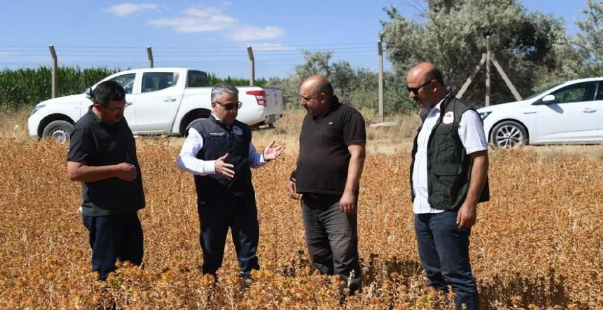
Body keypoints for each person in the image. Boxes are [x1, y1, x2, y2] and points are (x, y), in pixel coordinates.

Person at [176, 83, 282, 282]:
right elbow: (183, 160)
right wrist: (211, 167)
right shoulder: (200, 129)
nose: (233, 110)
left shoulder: (242, 129)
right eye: (228, 106)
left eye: (236, 105)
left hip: (243, 201)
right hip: (213, 203)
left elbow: (250, 160)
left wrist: (263, 158)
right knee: (212, 254)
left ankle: (250, 294)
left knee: (249, 253)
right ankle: (210, 294)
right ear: (214, 105)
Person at [407, 62, 489, 310]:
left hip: (449, 210)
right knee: (434, 276)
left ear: (433, 85)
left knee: (457, 276)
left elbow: (480, 159)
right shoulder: (429, 116)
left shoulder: (465, 114)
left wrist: (470, 204)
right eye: (408, 89)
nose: (411, 95)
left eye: (415, 89)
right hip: (423, 210)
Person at [287, 75, 366, 295]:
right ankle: (329, 296)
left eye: (306, 98)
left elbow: (357, 155)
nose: (301, 102)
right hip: (310, 202)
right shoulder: (308, 119)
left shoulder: (348, 116)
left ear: (322, 97)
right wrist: (295, 176)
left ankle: (350, 298)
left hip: (337, 201)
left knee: (343, 256)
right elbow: (309, 153)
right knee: (319, 255)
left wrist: (349, 192)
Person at [67, 80, 145, 280]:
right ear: (99, 106)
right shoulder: (84, 129)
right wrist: (116, 170)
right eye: (116, 109)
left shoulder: (119, 121)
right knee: (105, 270)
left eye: (123, 107)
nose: (121, 113)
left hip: (127, 207)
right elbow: (74, 172)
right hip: (103, 213)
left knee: (133, 265)